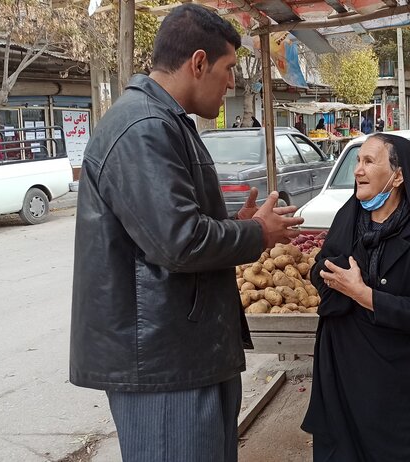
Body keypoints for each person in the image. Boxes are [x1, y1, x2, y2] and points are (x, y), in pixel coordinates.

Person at [70, 5, 304, 462]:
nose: (232, 83)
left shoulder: (165, 121)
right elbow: (179, 242)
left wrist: (236, 227)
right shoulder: (143, 127)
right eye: (229, 70)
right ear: (198, 63)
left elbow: (169, 228)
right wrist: (256, 233)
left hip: (186, 352)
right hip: (164, 363)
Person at [302, 133, 410, 461]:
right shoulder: (348, 219)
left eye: (369, 161)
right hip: (341, 372)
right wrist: (335, 279)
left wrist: (364, 295)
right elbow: (320, 270)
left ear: (398, 176)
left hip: (393, 383)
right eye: (357, 161)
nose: (358, 170)